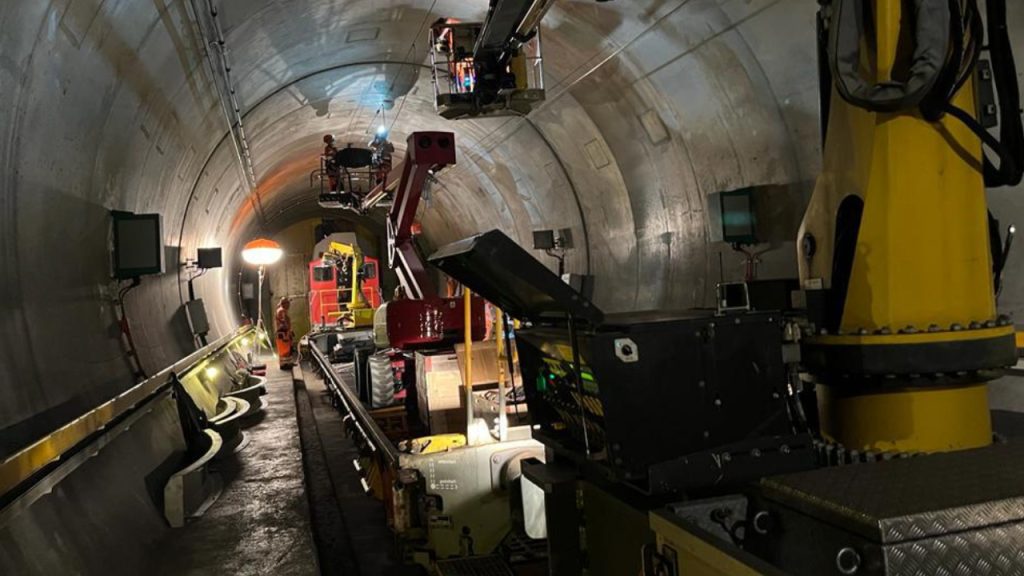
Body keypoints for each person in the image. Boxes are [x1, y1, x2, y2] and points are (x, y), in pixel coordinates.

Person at [275, 297, 295, 369]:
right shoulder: (282, 311)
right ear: (284, 304)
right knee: (285, 350)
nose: (289, 305)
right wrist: (289, 332)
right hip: (283, 334)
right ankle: (285, 364)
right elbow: (284, 322)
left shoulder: (280, 310)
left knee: (285, 350)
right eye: (288, 303)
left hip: (282, 333)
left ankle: (286, 363)